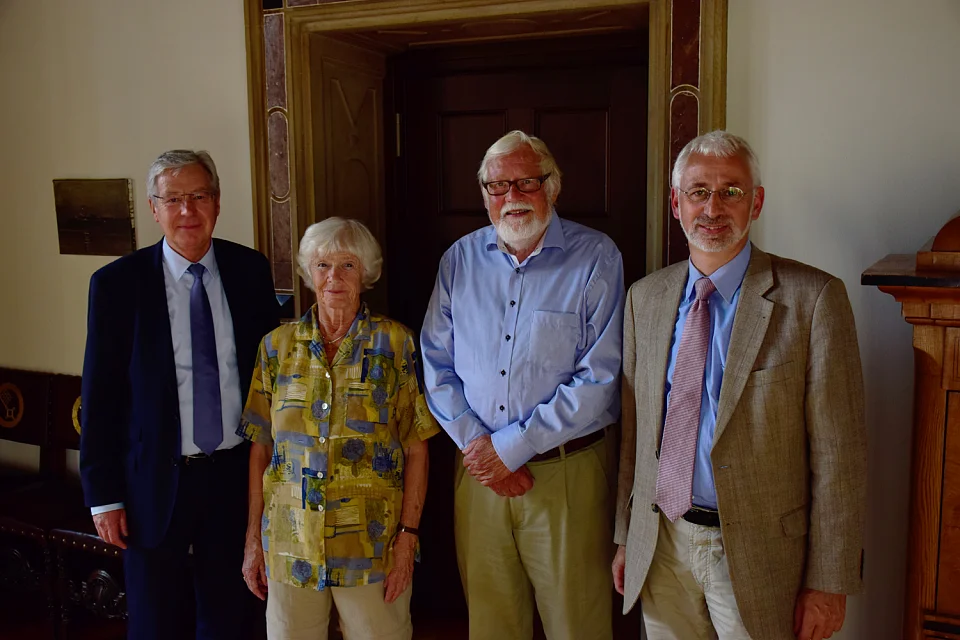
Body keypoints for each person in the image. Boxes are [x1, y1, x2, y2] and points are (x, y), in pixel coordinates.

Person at [612, 130, 867, 640]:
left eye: (731, 191)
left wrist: (829, 581)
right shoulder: (645, 298)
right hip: (661, 545)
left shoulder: (813, 299)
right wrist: (626, 536)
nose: (713, 207)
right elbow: (636, 435)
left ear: (757, 202)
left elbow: (839, 455)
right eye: (698, 191)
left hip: (761, 556)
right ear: (676, 203)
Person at [420, 130, 624, 640]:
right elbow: (436, 364)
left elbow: (599, 377)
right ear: (484, 193)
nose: (511, 196)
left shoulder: (596, 257)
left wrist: (511, 448)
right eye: (497, 185)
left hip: (567, 474)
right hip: (479, 475)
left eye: (526, 182)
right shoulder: (459, 260)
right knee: (491, 626)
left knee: (577, 627)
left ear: (552, 186)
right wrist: (480, 447)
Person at [80, 149, 280, 639]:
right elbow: (100, 396)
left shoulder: (250, 271)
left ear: (217, 202)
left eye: (199, 196)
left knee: (232, 617)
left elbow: (271, 377)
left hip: (234, 477)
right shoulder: (117, 285)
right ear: (154, 208)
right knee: (155, 621)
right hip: (152, 483)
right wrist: (103, 497)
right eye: (172, 199)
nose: (187, 210)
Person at [238, 217, 439, 640]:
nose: (334, 277)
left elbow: (417, 448)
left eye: (347, 265)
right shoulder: (275, 347)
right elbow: (261, 449)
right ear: (308, 272)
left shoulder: (395, 344)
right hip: (291, 543)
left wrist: (407, 539)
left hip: (372, 547)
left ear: (365, 274)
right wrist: (254, 538)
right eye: (323, 265)